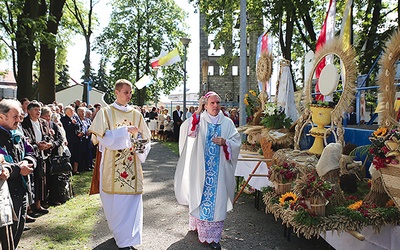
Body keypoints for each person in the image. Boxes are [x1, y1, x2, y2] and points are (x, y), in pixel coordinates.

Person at [89, 79, 151, 250]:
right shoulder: (106, 113)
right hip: (111, 167)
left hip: (132, 167)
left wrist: (137, 146)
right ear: (116, 92)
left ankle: (128, 240)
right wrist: (124, 132)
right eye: (126, 92)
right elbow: (101, 138)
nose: (129, 95)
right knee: (115, 206)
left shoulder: (137, 114)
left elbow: (144, 139)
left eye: (130, 92)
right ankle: (119, 235)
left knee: (131, 204)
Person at [174, 91, 241, 249]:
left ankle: (213, 238)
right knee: (200, 198)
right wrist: (197, 112)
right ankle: (202, 230)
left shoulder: (227, 122)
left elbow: (236, 140)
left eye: (218, 103)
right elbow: (188, 133)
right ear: (205, 105)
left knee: (217, 202)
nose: (216, 106)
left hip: (220, 171)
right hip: (201, 169)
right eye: (212, 103)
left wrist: (226, 142)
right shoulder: (199, 120)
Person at [0, 99, 36, 248]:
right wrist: (17, 169)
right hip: (5, 193)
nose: (19, 121)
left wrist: (28, 162)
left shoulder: (18, 134)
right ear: (1, 117)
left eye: (20, 117)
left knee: (17, 231)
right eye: (15, 117)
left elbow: (30, 151)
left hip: (21, 191)